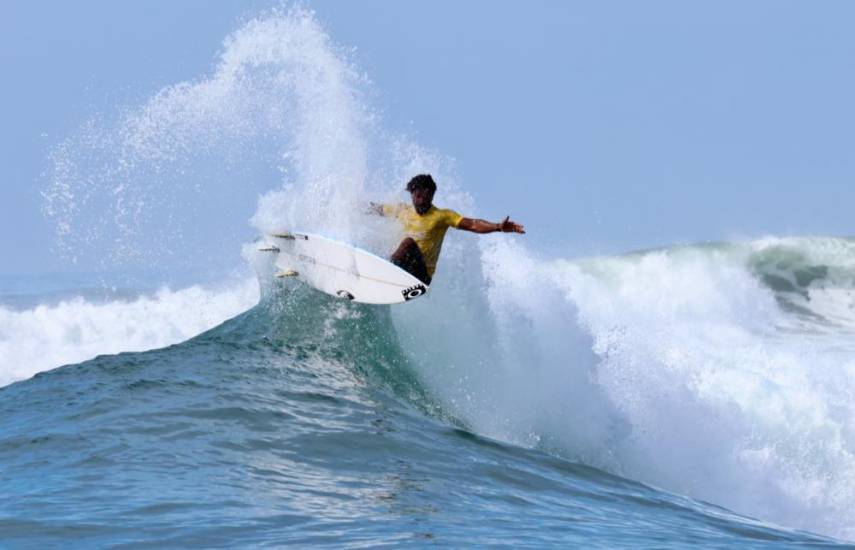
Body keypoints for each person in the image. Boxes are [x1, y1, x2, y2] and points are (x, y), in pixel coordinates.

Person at [370, 174, 525, 285]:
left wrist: (497, 226)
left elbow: (472, 224)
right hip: (403, 267)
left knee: (408, 242)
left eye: (426, 196)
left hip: (421, 277)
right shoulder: (402, 210)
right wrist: (349, 204)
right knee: (378, 242)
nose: (421, 200)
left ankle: (383, 272)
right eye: (418, 196)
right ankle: (377, 272)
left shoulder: (441, 215)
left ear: (431, 196)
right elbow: (378, 209)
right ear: (412, 194)